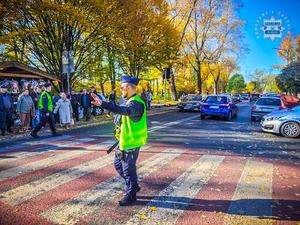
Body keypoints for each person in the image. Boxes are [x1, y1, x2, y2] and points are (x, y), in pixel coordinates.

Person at [97, 75, 148, 206]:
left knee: (128, 170)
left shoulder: (136, 103)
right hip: (124, 141)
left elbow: (126, 111)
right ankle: (134, 185)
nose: (120, 90)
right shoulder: (129, 100)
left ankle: (131, 195)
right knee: (118, 165)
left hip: (132, 142)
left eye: (122, 88)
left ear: (130, 88)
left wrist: (104, 104)